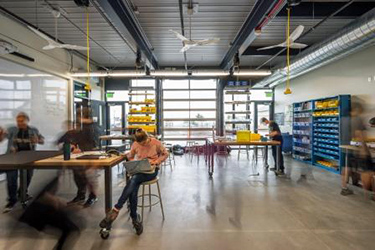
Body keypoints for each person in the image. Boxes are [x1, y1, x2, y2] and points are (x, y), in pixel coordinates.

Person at [99, 129, 168, 235]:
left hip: (152, 171)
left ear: (147, 138)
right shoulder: (136, 144)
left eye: (144, 143)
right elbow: (130, 156)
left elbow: (165, 154)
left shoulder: (155, 142)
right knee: (134, 185)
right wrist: (129, 159)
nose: (142, 145)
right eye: (140, 143)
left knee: (134, 180)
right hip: (139, 170)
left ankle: (117, 208)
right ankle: (135, 218)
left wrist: (156, 161)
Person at [19, 175, 80, 250]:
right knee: (71, 230)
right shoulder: (54, 174)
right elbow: (45, 195)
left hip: (40, 209)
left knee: (70, 229)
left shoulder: (58, 174)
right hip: (39, 210)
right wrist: (59, 203)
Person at [0, 112, 44, 213]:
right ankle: (11, 201)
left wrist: (37, 140)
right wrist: (1, 134)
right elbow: (1, 139)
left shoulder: (33, 130)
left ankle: (22, 194)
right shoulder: (12, 129)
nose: (19, 123)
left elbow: (42, 141)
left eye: (21, 121)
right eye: (18, 121)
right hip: (12, 159)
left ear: (27, 120)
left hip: (29, 158)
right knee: (11, 180)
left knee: (27, 178)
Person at [60, 109, 100, 207]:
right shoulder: (80, 126)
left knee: (90, 177)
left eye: (79, 115)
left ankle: (92, 196)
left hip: (91, 155)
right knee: (78, 176)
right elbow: (74, 139)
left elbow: (93, 139)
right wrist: (73, 146)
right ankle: (80, 195)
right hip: (80, 156)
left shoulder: (92, 127)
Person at [341, 101, 374, 197]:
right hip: (358, 149)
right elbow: (359, 134)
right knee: (366, 170)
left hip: (345, 148)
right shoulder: (357, 119)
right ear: (356, 110)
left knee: (346, 168)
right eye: (360, 110)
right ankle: (369, 193)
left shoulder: (343, 119)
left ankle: (344, 188)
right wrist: (364, 149)